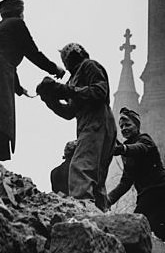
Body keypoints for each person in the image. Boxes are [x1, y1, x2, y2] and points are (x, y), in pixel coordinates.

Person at [0, 0, 64, 160]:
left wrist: (18, 88)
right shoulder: (17, 24)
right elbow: (32, 52)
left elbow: (4, 56)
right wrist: (54, 69)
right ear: (19, 11)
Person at [36, 43, 116, 209]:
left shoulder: (89, 65)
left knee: (81, 167)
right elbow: (68, 112)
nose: (66, 61)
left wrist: (65, 90)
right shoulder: (74, 78)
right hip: (91, 123)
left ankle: (83, 209)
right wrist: (49, 99)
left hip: (97, 120)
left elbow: (100, 92)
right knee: (95, 176)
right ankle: (99, 214)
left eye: (67, 57)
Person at [108, 107, 165, 240]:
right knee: (148, 230)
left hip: (160, 189)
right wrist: (109, 199)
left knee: (141, 226)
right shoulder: (126, 152)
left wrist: (123, 149)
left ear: (136, 126)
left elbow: (141, 149)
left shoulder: (144, 139)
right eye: (121, 126)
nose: (124, 129)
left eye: (128, 125)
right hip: (147, 193)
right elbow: (126, 181)